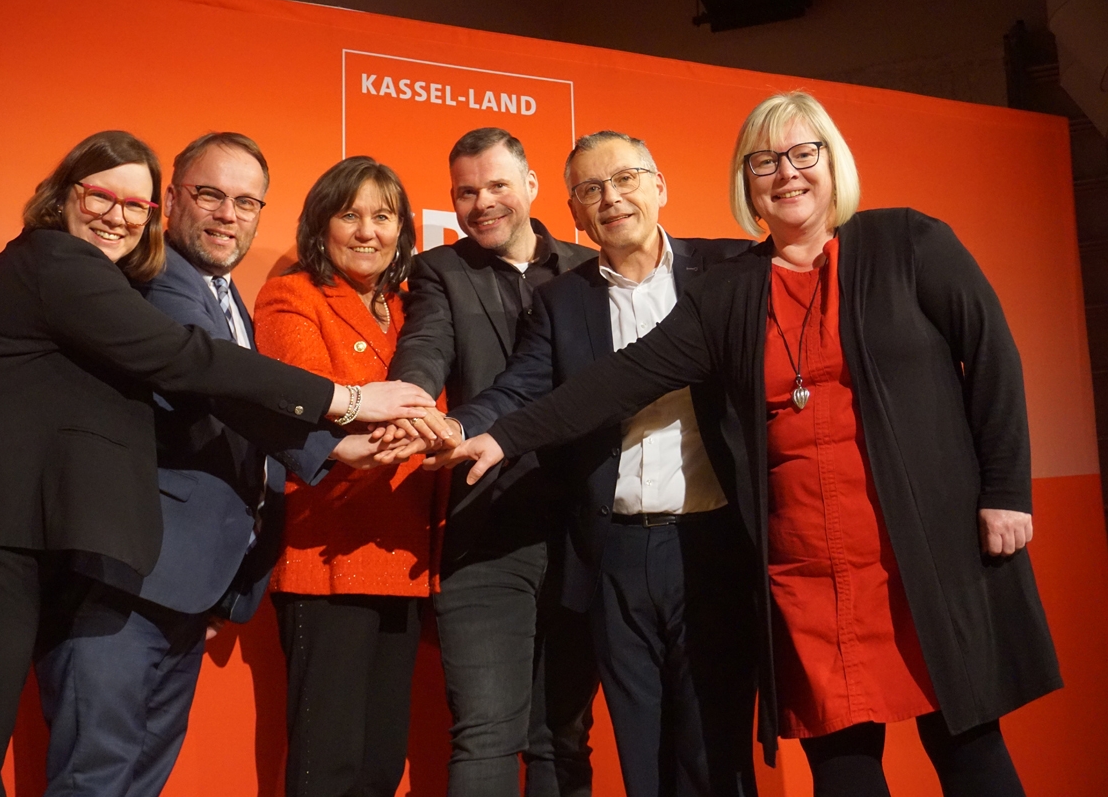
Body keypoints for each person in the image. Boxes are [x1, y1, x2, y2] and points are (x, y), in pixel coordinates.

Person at [440, 93, 1063, 797]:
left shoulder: (909, 243)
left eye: (803, 153)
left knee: (968, 748)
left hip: (917, 550)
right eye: (765, 161)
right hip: (805, 565)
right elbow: (620, 379)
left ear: (833, 160)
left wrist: (1006, 491)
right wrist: (503, 435)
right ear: (747, 181)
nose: (786, 173)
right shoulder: (731, 290)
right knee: (843, 768)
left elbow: (993, 357)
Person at [0, 130, 433, 797]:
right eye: (101, 197)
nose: (118, 216)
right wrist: (347, 401)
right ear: (64, 195)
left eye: (133, 206)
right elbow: (191, 363)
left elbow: (216, 396)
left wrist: (328, 448)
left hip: (51, 546)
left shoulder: (184, 288)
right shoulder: (80, 264)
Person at [412, 131, 758, 797]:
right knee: (642, 755)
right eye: (593, 189)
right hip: (614, 554)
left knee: (714, 752)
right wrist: (465, 427)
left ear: (659, 186)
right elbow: (519, 389)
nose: (612, 198)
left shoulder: (729, 270)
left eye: (625, 179)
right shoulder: (562, 301)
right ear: (572, 209)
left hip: (711, 546)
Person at [33, 132, 379, 797]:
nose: (228, 215)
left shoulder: (225, 297)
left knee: (137, 779)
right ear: (169, 200)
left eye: (246, 202)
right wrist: (331, 440)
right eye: (210, 195)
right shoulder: (154, 277)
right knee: (95, 777)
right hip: (123, 585)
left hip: (184, 588)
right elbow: (216, 386)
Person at [386, 128, 601, 796]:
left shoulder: (592, 269)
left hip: (586, 536)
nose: (481, 203)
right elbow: (425, 346)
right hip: (488, 527)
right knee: (485, 734)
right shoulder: (440, 271)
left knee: (564, 738)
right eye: (466, 192)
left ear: (531, 186)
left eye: (497, 185)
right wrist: (411, 405)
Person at [252, 156, 442, 796]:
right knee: (327, 761)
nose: (367, 232)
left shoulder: (414, 307)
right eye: (349, 215)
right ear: (320, 225)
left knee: (381, 765)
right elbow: (311, 397)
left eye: (383, 217)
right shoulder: (293, 295)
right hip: (326, 552)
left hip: (405, 553)